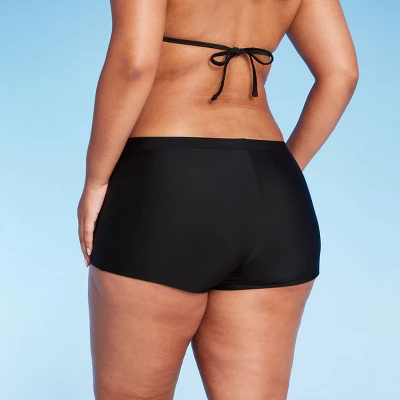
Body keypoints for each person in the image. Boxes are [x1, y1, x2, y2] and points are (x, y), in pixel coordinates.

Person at [77, 0, 358, 398]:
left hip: (166, 186)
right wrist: (284, 173)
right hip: (274, 190)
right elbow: (342, 73)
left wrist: (96, 181)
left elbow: (134, 63)